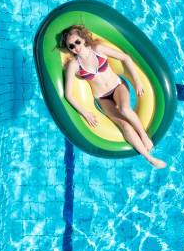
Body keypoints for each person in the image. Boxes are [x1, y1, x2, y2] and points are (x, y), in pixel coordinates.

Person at [60, 25, 167, 169]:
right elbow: (68, 94)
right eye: (71, 46)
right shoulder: (74, 65)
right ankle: (149, 158)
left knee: (124, 109)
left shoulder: (98, 49)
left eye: (77, 42)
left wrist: (137, 82)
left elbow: (126, 58)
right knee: (124, 125)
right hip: (102, 98)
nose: (75, 47)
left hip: (117, 87)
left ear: (84, 39)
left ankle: (144, 136)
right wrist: (85, 113)